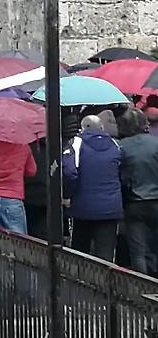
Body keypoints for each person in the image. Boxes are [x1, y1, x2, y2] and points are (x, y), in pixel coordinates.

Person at [62, 115, 123, 261]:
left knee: (79, 252)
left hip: (82, 206)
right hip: (110, 207)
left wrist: (68, 195)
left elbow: (69, 172)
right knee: (106, 254)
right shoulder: (115, 144)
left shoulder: (76, 143)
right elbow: (122, 171)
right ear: (102, 127)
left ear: (82, 128)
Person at [117, 107, 158, 275]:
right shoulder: (155, 143)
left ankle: (141, 284)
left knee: (138, 250)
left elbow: (119, 175)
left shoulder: (122, 147)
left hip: (134, 202)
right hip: (155, 199)